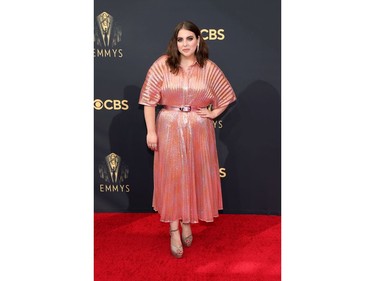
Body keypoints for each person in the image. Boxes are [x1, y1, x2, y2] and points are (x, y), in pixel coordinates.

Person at [139, 20, 236, 258]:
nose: (185, 44)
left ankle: (187, 222)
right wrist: (151, 131)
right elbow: (149, 101)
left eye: (189, 38)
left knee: (192, 176)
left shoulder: (209, 68)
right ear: (175, 42)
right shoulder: (162, 65)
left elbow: (226, 95)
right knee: (172, 178)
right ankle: (174, 228)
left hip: (199, 129)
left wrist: (213, 113)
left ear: (198, 40)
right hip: (169, 126)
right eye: (180, 39)